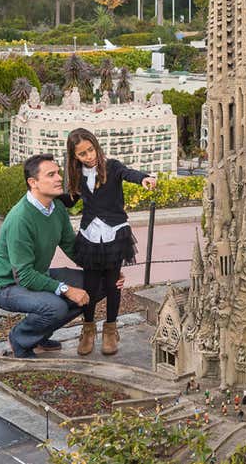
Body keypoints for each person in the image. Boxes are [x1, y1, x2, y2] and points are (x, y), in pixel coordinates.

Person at [0, 154, 124, 359]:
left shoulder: (56, 208)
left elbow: (72, 247)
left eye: (58, 173)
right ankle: (20, 339)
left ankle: (39, 336)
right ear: (33, 183)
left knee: (101, 284)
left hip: (38, 275)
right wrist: (66, 290)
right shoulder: (20, 218)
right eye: (51, 174)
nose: (59, 178)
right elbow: (23, 276)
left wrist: (108, 269)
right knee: (57, 307)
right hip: (8, 285)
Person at [60, 128, 157, 356]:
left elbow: (128, 173)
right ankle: (88, 329)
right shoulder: (76, 175)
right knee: (91, 285)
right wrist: (49, 194)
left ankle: (111, 330)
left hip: (114, 232)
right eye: (82, 154)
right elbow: (70, 200)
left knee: (113, 283)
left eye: (91, 150)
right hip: (91, 234)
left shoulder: (112, 166)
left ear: (96, 146)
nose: (89, 156)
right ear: (75, 156)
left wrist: (143, 178)